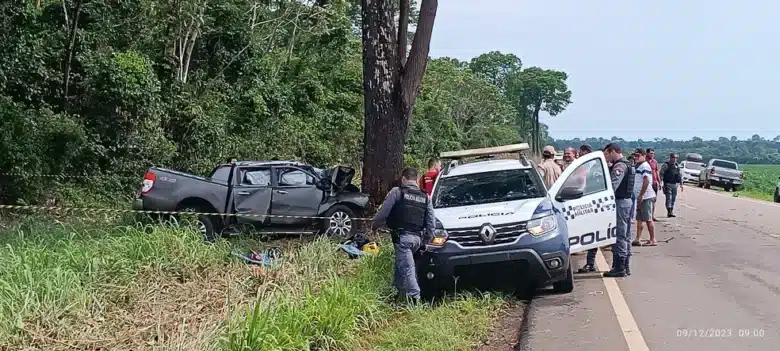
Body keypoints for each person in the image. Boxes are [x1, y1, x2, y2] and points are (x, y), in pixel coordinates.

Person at [372, 167, 436, 303]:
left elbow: (382, 214)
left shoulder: (397, 192)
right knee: (400, 266)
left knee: (407, 269)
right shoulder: (426, 196)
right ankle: (396, 295)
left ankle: (415, 300)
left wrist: (374, 226)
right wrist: (425, 241)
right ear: (417, 179)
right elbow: (431, 224)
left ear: (403, 179)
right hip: (417, 239)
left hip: (403, 239)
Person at [602, 143, 635, 278]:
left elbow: (613, 186)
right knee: (626, 235)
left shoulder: (620, 166)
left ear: (612, 152)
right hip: (627, 201)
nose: (606, 157)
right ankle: (625, 265)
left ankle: (619, 267)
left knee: (620, 235)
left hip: (620, 202)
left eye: (606, 154)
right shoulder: (628, 164)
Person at [576, 145, 599, 274]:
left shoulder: (590, 166)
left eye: (581, 152)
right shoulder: (591, 165)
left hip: (591, 203)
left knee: (592, 233)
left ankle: (590, 263)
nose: (579, 154)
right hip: (589, 202)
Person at [631, 149, 657, 247]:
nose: (635, 157)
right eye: (635, 155)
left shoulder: (645, 166)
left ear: (643, 156)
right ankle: (638, 238)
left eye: (638, 155)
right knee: (639, 219)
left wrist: (641, 195)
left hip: (646, 196)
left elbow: (646, 181)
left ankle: (652, 239)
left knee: (648, 218)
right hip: (640, 196)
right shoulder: (638, 166)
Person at [659, 152, 684, 217]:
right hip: (667, 184)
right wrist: (660, 182)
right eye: (673, 157)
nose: (674, 159)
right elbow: (661, 174)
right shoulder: (666, 165)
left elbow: (679, 175)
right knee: (669, 198)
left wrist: (681, 184)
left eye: (676, 158)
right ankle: (669, 212)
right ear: (670, 158)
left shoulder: (677, 165)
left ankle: (671, 210)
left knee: (673, 198)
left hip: (675, 184)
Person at [646, 148, 660, 221]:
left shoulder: (655, 162)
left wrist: (659, 182)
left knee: (653, 200)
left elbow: (657, 171)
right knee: (646, 200)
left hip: (654, 183)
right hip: (646, 183)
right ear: (647, 153)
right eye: (651, 153)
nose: (652, 155)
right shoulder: (644, 162)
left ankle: (652, 215)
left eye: (653, 154)